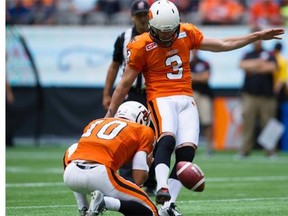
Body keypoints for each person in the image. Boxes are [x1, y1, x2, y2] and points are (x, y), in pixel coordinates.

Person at [104, 1, 285, 215]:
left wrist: (255, 36)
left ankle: (167, 205)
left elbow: (223, 43)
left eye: (170, 30)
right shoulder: (140, 44)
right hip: (160, 96)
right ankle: (161, 186)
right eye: (162, 31)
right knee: (167, 138)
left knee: (187, 152)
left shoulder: (186, 32)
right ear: (153, 26)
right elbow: (124, 83)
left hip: (186, 97)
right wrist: (110, 112)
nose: (167, 36)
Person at [63, 101, 158, 216]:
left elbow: (71, 151)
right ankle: (106, 202)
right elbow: (138, 178)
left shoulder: (95, 122)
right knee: (152, 211)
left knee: (74, 148)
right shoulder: (143, 130)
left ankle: (83, 207)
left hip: (70, 175)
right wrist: (146, 166)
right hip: (100, 175)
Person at [102, 0, 157, 195]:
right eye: (139, 15)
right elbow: (114, 65)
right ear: (132, 16)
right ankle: (125, 178)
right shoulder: (123, 37)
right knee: (126, 134)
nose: (143, 18)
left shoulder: (158, 33)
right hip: (131, 93)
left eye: (145, 14)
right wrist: (107, 92)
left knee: (154, 136)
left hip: (154, 91)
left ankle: (151, 180)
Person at [237, 26, 279, 159]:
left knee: (268, 123)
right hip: (249, 95)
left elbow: (272, 68)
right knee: (248, 123)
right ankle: (244, 150)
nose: (257, 42)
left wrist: (253, 68)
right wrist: (260, 63)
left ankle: (270, 150)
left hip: (266, 96)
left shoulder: (270, 54)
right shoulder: (247, 54)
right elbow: (242, 65)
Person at [190, 49, 214, 156]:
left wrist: (193, 76)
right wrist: (198, 77)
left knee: (207, 121)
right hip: (190, 95)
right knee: (188, 122)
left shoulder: (204, 63)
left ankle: (209, 148)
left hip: (204, 95)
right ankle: (188, 147)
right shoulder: (186, 63)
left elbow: (206, 77)